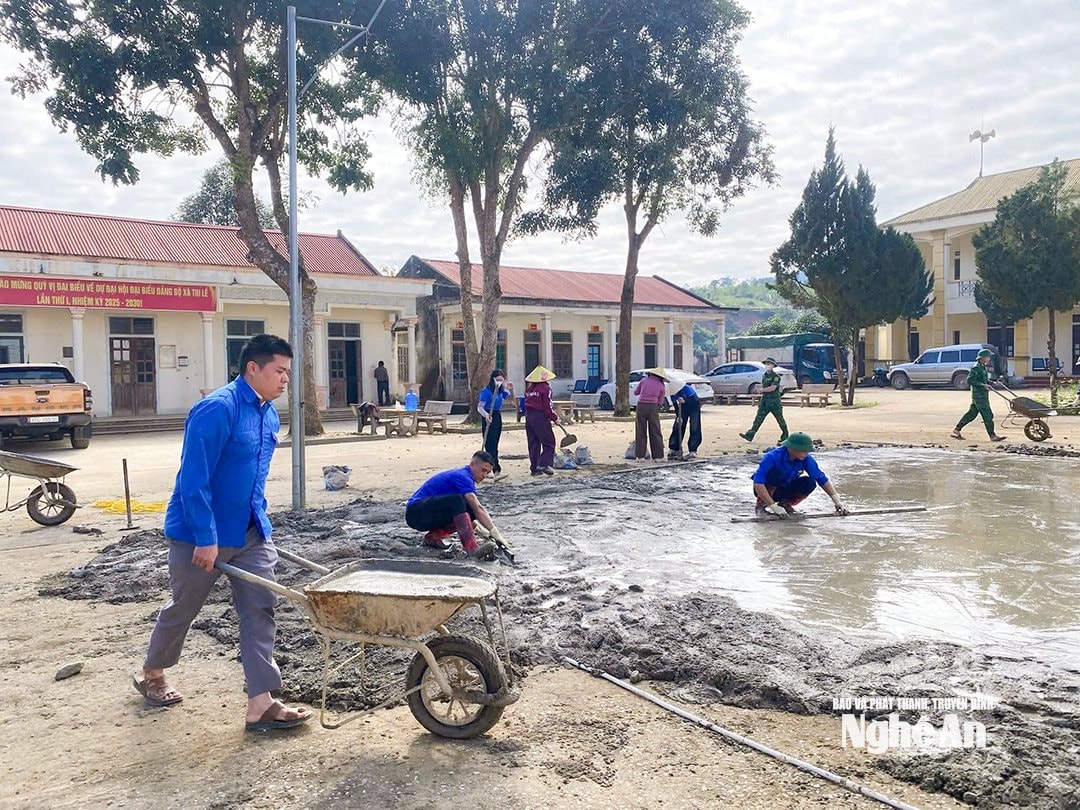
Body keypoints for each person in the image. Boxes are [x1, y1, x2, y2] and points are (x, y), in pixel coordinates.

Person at [134, 334, 313, 732]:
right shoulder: (217, 410)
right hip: (199, 535)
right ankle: (152, 672)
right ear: (253, 368)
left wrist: (260, 524)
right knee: (184, 607)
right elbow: (193, 480)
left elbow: (254, 480)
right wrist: (205, 537)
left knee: (259, 609)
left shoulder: (268, 414)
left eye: (288, 372)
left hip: (249, 533)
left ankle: (261, 703)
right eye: (279, 371)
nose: (286, 379)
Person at [406, 451, 499, 558]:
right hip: (416, 512)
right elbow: (478, 508)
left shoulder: (466, 477)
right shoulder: (463, 476)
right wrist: (493, 531)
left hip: (427, 511)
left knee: (468, 507)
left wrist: (480, 529)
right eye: (483, 470)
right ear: (472, 464)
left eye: (487, 472)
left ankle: (434, 537)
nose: (484, 476)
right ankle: (472, 549)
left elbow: (464, 515)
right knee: (459, 500)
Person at [751, 432, 848, 517]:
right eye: (804, 451)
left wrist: (837, 501)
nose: (806, 453)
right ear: (792, 449)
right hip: (766, 490)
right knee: (774, 476)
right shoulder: (772, 457)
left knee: (809, 482)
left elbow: (821, 478)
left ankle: (785, 504)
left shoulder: (806, 459)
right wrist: (773, 506)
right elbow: (758, 483)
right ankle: (761, 506)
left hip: (785, 487)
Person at [951, 349, 1005, 442]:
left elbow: (983, 380)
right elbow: (970, 380)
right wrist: (983, 385)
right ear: (982, 358)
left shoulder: (983, 367)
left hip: (982, 395)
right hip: (979, 396)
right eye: (988, 357)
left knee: (971, 414)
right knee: (988, 415)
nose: (989, 358)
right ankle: (992, 435)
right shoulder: (976, 367)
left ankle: (956, 430)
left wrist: (992, 383)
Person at [739, 358, 789, 444]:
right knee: (758, 418)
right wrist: (759, 388)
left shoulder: (776, 377)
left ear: (773, 365)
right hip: (765, 401)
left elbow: (773, 388)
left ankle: (785, 436)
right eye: (766, 364)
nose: (767, 365)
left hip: (774, 401)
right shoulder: (765, 375)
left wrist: (762, 390)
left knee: (780, 419)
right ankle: (750, 434)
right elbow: (765, 385)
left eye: (769, 364)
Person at [477, 369, 514, 480]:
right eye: (497, 380)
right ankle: (490, 469)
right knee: (490, 444)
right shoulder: (486, 391)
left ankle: (495, 470)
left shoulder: (500, 391)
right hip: (489, 416)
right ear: (493, 379)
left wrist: (511, 389)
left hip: (497, 416)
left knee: (495, 444)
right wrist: (486, 416)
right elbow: (479, 407)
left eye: (501, 380)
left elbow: (508, 396)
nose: (499, 382)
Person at [524, 365, 560, 476]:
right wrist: (554, 417)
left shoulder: (529, 390)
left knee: (533, 443)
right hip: (540, 417)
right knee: (549, 442)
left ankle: (534, 468)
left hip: (529, 417)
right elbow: (547, 406)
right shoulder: (546, 389)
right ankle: (543, 464)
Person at [634, 368, 668, 461]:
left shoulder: (643, 381)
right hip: (653, 407)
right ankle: (658, 456)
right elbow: (660, 401)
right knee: (655, 431)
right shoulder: (661, 385)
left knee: (640, 431)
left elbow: (636, 392)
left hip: (641, 406)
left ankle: (640, 456)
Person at [667, 379, 702, 461]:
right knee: (678, 426)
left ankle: (693, 450)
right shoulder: (672, 391)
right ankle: (674, 448)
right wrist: (678, 415)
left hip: (693, 404)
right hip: (682, 407)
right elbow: (675, 404)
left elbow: (693, 399)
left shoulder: (686, 388)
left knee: (695, 426)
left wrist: (683, 399)